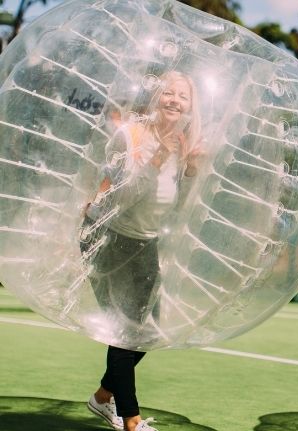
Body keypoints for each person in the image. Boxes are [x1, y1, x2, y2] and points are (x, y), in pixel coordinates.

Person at [80, 70, 203, 431]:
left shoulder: (182, 145)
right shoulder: (130, 136)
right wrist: (157, 159)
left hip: (143, 240)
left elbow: (168, 209)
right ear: (154, 97)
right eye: (168, 92)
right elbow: (122, 198)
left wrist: (191, 170)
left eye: (183, 95)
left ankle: (103, 397)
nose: (175, 100)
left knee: (147, 329)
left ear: (191, 106)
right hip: (107, 233)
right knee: (127, 331)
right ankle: (130, 418)